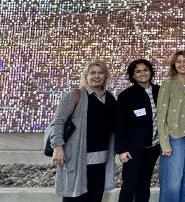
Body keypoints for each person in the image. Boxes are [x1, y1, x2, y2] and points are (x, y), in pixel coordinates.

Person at [51, 59, 117, 201]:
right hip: (77, 158)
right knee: (74, 198)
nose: (97, 76)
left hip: (101, 160)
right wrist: (57, 146)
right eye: (92, 72)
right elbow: (57, 122)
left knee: (95, 198)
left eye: (101, 73)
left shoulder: (110, 98)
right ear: (86, 75)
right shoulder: (75, 96)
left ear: (105, 76)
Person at [115, 59, 160, 202]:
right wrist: (121, 150)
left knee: (144, 185)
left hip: (153, 147)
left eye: (145, 70)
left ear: (151, 71)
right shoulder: (126, 96)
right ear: (133, 76)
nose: (143, 74)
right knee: (130, 185)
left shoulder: (159, 91)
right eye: (138, 71)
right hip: (134, 149)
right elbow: (119, 124)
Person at [157, 51, 185, 202]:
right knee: (172, 181)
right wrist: (164, 142)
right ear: (174, 64)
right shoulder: (168, 84)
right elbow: (160, 116)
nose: (182, 64)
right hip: (174, 137)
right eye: (178, 61)